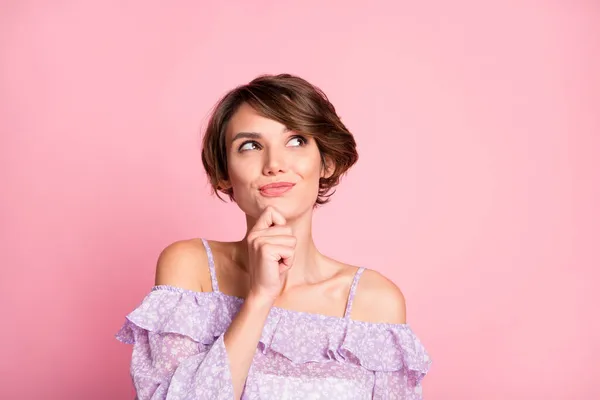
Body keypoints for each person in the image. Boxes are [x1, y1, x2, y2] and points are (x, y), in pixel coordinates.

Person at [116, 73, 431, 399]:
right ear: (225, 173)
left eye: (296, 140)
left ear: (327, 162)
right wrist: (260, 298)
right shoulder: (191, 270)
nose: (275, 164)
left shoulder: (374, 301)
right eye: (250, 146)